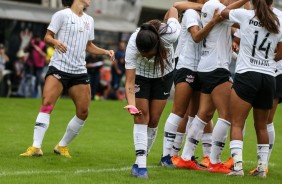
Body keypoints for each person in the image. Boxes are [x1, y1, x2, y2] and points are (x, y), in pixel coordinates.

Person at [20, 0, 114, 158]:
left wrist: (105, 51)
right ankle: (36, 147)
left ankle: (62, 146)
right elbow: (47, 36)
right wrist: (55, 41)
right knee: (47, 105)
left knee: (83, 112)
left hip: (79, 71)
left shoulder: (89, 20)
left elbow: (88, 45)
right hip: (59, 68)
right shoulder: (61, 15)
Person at [178, 0, 249, 174]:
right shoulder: (213, 5)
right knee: (226, 115)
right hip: (216, 68)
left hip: (208, 67)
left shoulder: (214, 7)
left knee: (204, 114)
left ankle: (185, 157)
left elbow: (240, 21)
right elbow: (239, 17)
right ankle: (215, 161)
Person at [221, 0, 282, 177]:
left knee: (237, 123)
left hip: (247, 74)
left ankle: (238, 168)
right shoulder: (278, 21)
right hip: (269, 77)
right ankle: (262, 169)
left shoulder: (245, 15)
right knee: (262, 126)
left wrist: (243, 0)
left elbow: (224, 12)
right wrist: (267, 60)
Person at [161, 0, 222, 167]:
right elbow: (195, 36)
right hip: (186, 65)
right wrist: (213, 22)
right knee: (179, 111)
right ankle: (168, 155)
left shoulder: (203, 13)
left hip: (200, 68)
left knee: (195, 114)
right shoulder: (190, 13)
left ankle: (187, 156)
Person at [124, 6, 181, 179]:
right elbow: (129, 82)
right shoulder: (133, 44)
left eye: (149, 54)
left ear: (158, 45)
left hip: (164, 74)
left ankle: (141, 157)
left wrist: (167, 19)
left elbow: (173, 9)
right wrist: (132, 105)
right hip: (141, 77)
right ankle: (141, 165)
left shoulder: (171, 34)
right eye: (143, 55)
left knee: (154, 120)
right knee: (141, 116)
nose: (147, 57)